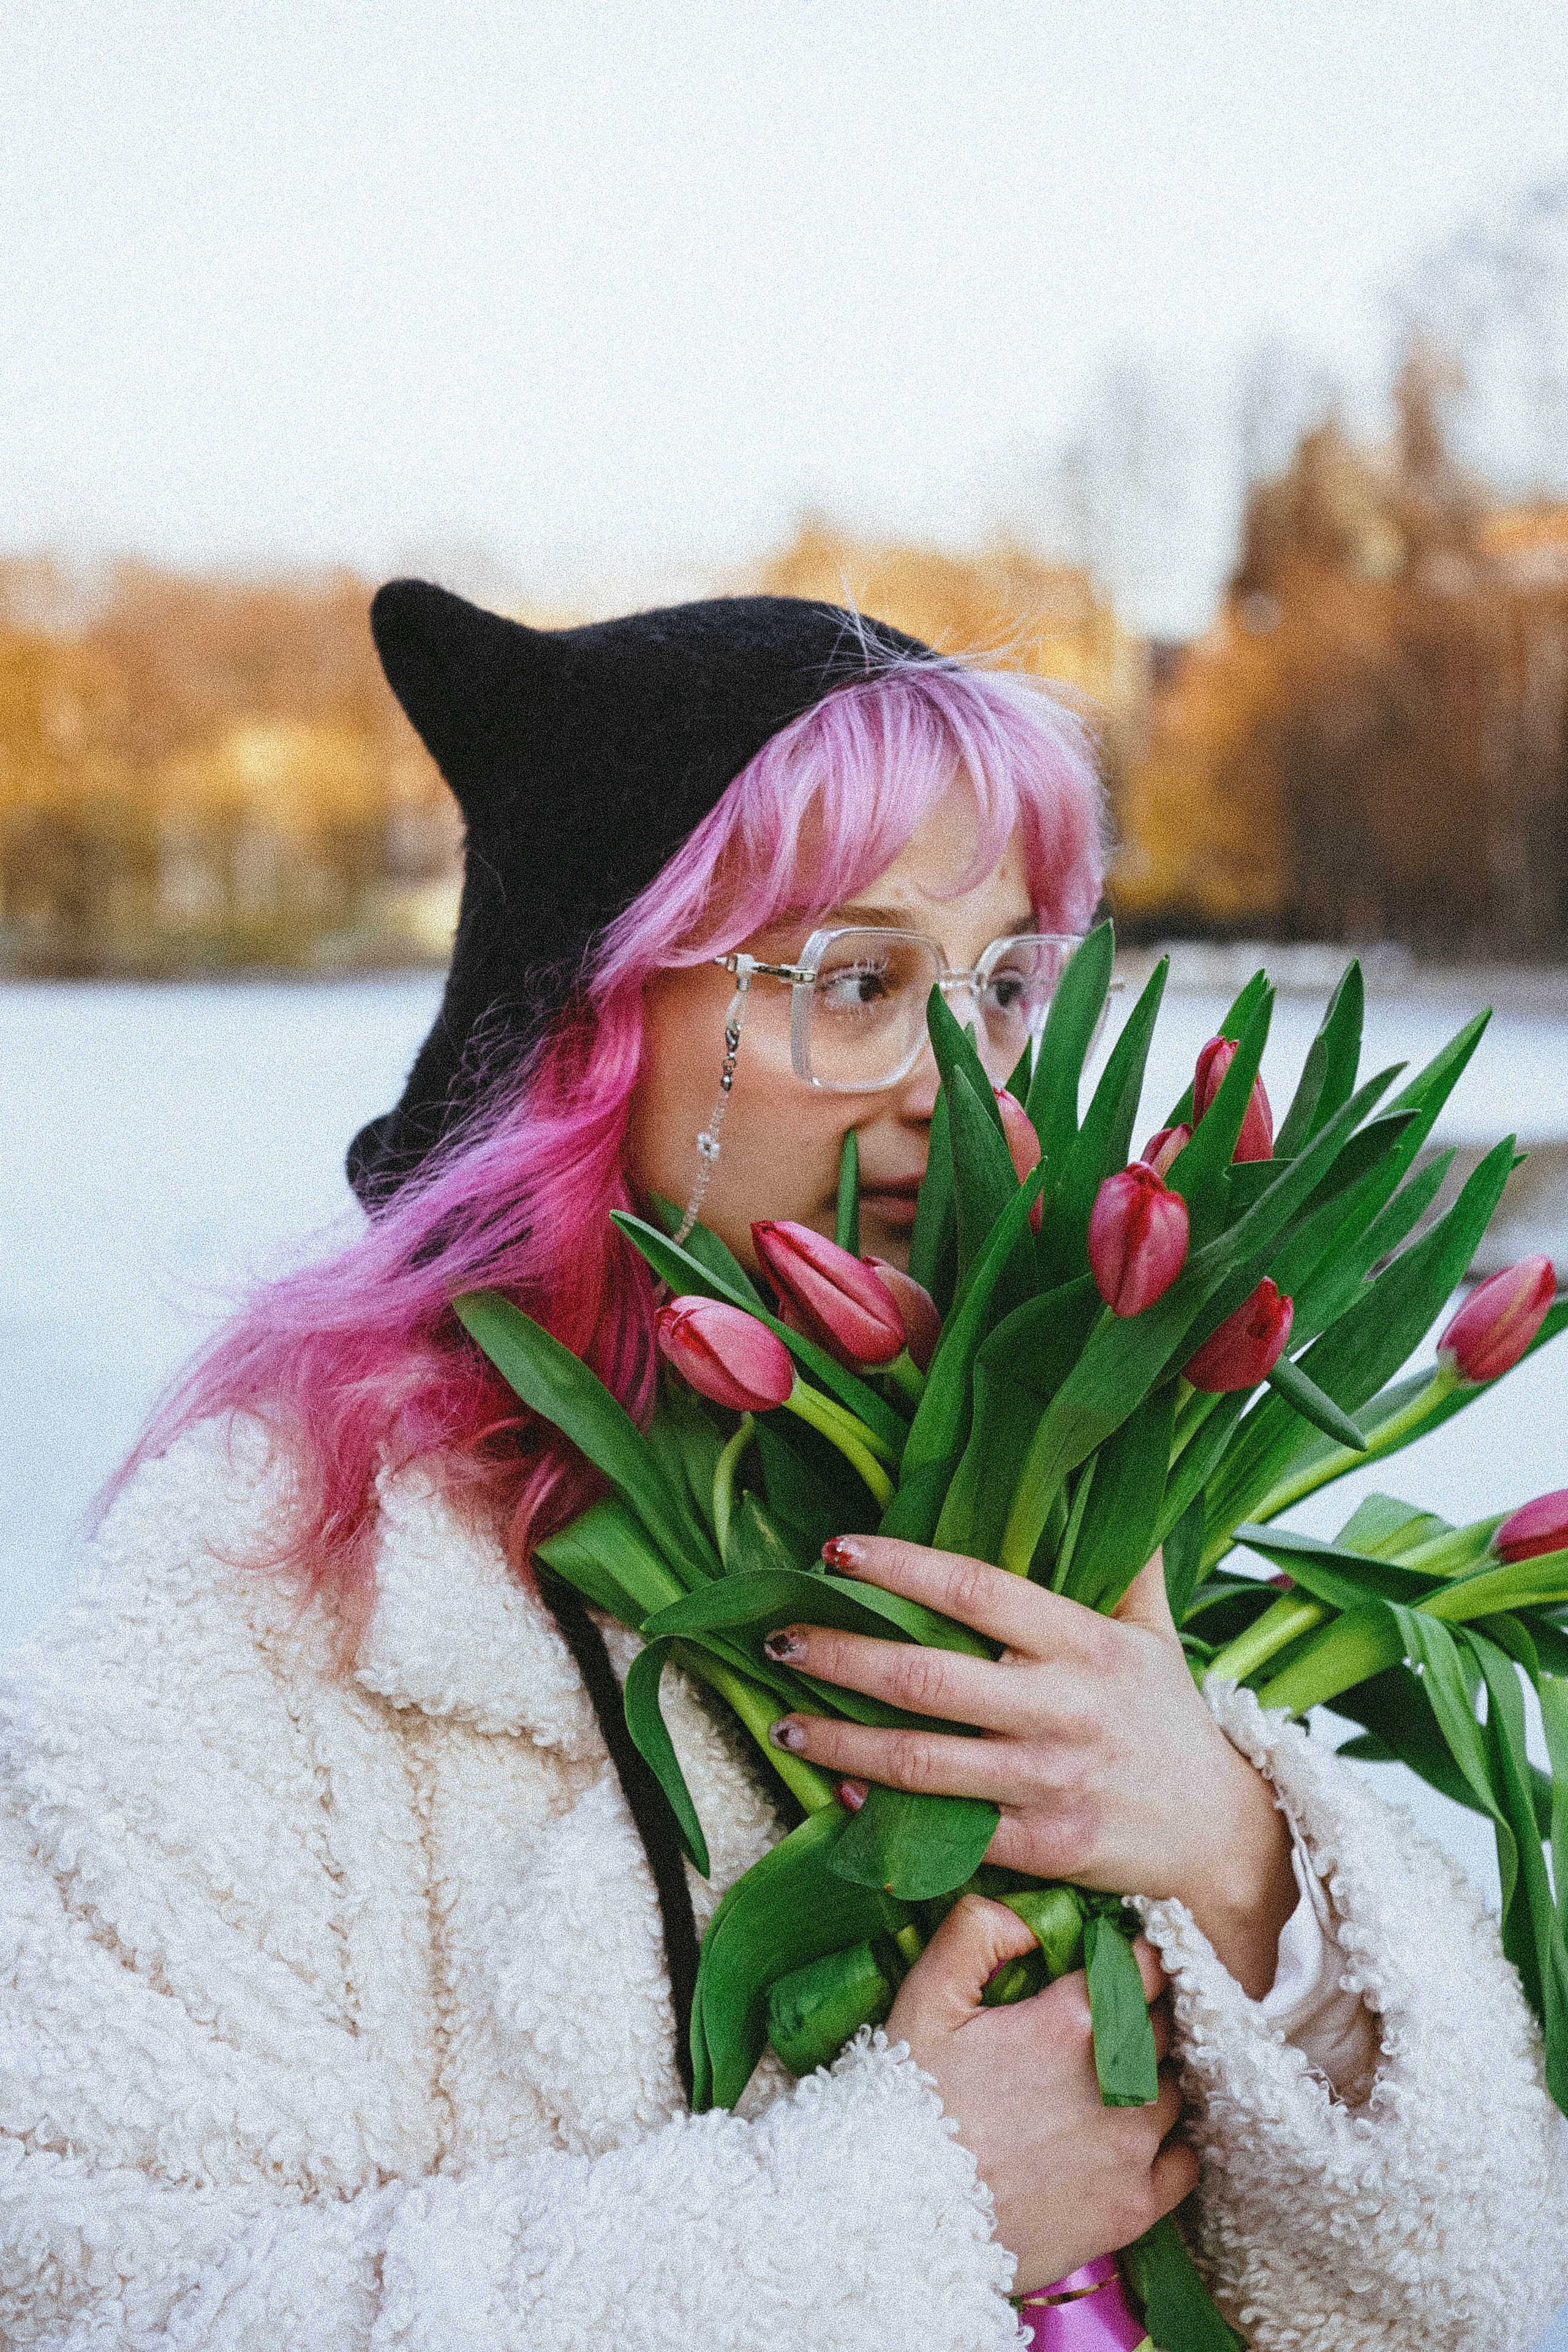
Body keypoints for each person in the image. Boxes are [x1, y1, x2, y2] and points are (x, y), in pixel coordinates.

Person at [1, 584, 1562, 2352]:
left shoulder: (1082, 1504)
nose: (954, 1084)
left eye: (999, 986)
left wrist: (1240, 1867)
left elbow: (1473, 2293)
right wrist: (898, 2214)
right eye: (855, 980)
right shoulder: (284, 1575)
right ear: (593, 1025)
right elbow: (92, 2307)